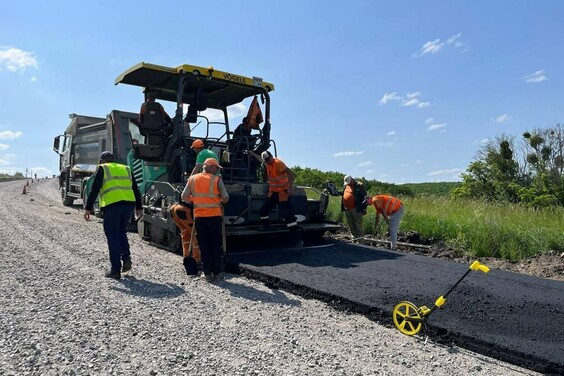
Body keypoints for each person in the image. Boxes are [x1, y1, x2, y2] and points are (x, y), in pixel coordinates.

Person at [84, 151, 142, 279]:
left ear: (102, 161)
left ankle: (115, 270)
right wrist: (139, 207)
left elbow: (95, 189)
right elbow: (135, 188)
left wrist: (88, 208)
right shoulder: (126, 168)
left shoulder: (103, 168)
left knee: (112, 236)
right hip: (128, 205)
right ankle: (126, 257)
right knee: (121, 232)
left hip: (113, 205)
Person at [181, 158, 229, 281]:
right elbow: (226, 198)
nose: (217, 170)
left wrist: (195, 200)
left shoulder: (192, 179)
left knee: (204, 245)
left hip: (200, 217)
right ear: (210, 167)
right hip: (215, 217)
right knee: (215, 244)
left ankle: (207, 273)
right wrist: (218, 200)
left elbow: (184, 196)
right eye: (216, 168)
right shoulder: (217, 180)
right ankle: (217, 273)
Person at [247, 150, 303, 248]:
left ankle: (297, 240)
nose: (267, 162)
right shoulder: (266, 162)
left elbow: (292, 175)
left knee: (288, 216)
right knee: (263, 211)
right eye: (266, 161)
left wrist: (289, 188)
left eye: (268, 160)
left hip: (282, 193)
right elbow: (260, 158)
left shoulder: (278, 163)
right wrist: (252, 153)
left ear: (271, 157)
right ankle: (267, 230)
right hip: (273, 193)